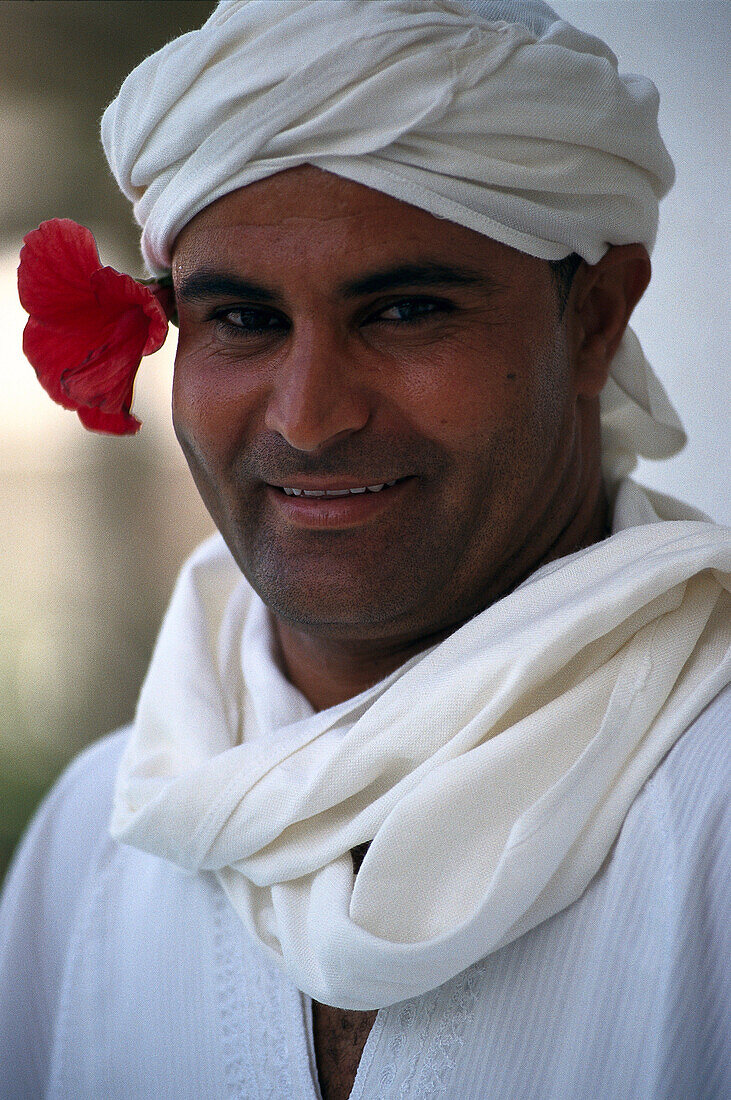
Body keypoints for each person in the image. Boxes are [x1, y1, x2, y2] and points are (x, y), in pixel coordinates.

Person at [1, 2, 729, 1097]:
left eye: (403, 309)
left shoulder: (711, 805)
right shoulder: (98, 840)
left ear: (594, 321)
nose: (306, 416)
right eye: (242, 320)